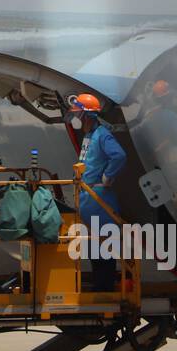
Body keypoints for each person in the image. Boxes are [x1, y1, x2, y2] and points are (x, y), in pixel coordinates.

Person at [69, 93, 127, 292]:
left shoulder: (102, 134)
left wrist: (107, 178)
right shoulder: (89, 136)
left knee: (103, 245)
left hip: (98, 198)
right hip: (88, 197)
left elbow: (119, 156)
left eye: (77, 114)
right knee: (93, 245)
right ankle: (100, 284)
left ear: (86, 115)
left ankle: (104, 287)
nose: (74, 118)